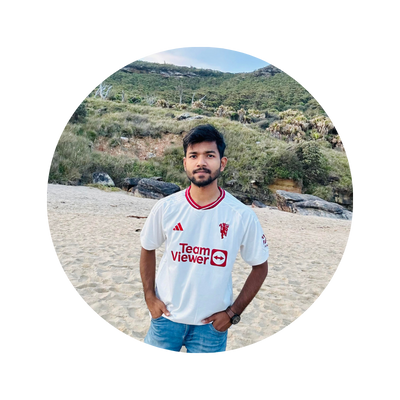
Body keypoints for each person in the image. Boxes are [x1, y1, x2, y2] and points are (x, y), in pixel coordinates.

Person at [140, 124, 269, 356]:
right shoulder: (166, 207)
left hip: (211, 327)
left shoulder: (241, 215)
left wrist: (233, 313)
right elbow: (147, 247)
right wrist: (149, 296)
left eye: (209, 155)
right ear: (185, 163)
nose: (201, 162)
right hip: (166, 319)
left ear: (222, 162)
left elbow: (260, 266)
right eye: (194, 156)